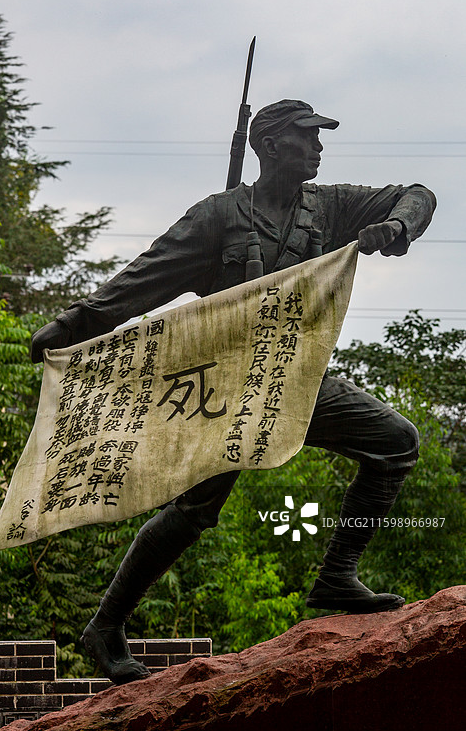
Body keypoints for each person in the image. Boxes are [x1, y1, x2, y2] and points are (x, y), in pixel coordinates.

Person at [31, 99, 436, 684]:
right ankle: (106, 625)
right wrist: (72, 325)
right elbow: (144, 280)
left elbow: (419, 194)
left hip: (295, 380)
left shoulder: (331, 206)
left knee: (395, 441)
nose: (318, 147)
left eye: (319, 137)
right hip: (225, 390)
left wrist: (397, 227)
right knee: (195, 512)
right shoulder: (217, 217)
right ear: (269, 145)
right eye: (306, 136)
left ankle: (337, 577)